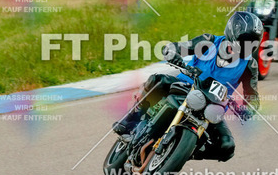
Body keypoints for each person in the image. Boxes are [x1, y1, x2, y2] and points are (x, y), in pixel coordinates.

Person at [112, 11, 263, 162]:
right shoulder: (209, 42)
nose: (247, 45)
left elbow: (252, 96)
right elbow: (180, 47)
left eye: (253, 42)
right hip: (184, 86)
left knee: (227, 147)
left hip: (212, 106)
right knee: (157, 80)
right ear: (233, 33)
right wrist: (172, 52)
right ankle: (131, 119)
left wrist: (249, 110)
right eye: (245, 40)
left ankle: (184, 150)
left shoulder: (250, 65)